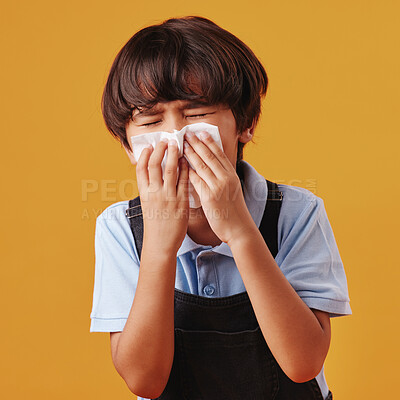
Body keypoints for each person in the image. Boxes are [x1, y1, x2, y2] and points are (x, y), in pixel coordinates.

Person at [89, 15, 351, 400]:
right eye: (150, 120)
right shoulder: (120, 227)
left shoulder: (297, 213)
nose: (176, 138)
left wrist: (240, 231)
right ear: (129, 146)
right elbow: (144, 380)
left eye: (196, 114)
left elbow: (304, 362)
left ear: (244, 124)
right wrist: (160, 244)